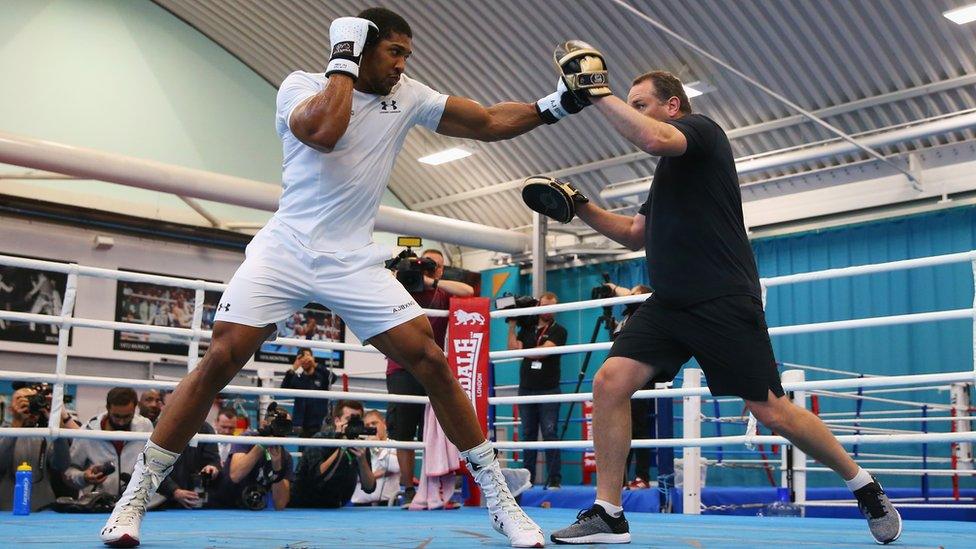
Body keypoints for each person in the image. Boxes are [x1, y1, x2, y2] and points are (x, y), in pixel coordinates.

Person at [99, 7, 569, 547]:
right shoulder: (300, 86)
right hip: (287, 247)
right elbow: (323, 132)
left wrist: (558, 104)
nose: (402, 65)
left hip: (351, 257)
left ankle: (501, 501)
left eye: (406, 56)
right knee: (220, 359)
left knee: (431, 360)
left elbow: (485, 121)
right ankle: (134, 498)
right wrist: (343, 62)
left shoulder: (409, 94)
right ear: (362, 48)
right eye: (394, 52)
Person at [531, 48, 901, 544]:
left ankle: (863, 485)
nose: (634, 110)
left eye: (642, 103)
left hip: (721, 298)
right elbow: (636, 233)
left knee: (770, 410)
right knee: (610, 382)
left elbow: (650, 137)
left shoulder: (702, 133)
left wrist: (598, 91)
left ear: (674, 107)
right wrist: (579, 206)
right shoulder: (666, 176)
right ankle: (608, 513)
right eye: (631, 102)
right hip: (668, 304)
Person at [386, 248, 474, 506]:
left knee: (438, 429)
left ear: (441, 269)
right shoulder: (400, 286)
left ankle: (435, 488)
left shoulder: (441, 290)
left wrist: (430, 281)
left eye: (432, 264)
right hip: (400, 366)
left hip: (432, 366)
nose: (426, 267)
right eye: (423, 263)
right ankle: (407, 489)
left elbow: (468, 292)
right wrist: (402, 272)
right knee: (404, 431)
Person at [506, 292, 567, 489]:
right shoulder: (527, 329)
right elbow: (512, 348)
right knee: (528, 433)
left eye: (552, 306)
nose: (548, 310)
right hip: (526, 388)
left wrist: (526, 352)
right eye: (545, 306)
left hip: (549, 388)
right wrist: (512, 324)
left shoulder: (559, 330)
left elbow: (543, 351)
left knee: (550, 432)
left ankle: (555, 479)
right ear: (538, 305)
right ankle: (528, 479)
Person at [0, 385, 80, 511]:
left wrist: (56, 426)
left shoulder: (45, 436)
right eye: (22, 400)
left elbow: (61, 465)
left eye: (32, 400)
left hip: (43, 508)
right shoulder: (3, 433)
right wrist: (16, 424)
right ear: (11, 409)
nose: (29, 405)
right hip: (7, 508)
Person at [65, 388, 153, 499]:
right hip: (97, 504)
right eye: (116, 416)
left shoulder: (145, 427)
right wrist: (84, 477)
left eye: (127, 417)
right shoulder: (88, 431)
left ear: (135, 409)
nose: (121, 422)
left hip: (135, 503)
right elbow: (69, 472)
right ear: (107, 408)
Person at [291, 400, 376, 508]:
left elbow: (370, 487)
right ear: (337, 421)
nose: (352, 425)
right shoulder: (320, 440)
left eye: (357, 420)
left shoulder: (360, 445)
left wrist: (362, 461)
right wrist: (341, 447)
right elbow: (319, 477)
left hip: (336, 506)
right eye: (349, 420)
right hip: (304, 505)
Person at [209, 408, 293, 511]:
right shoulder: (246, 439)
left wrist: (276, 466)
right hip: (224, 506)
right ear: (265, 423)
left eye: (285, 424)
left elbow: (280, 504)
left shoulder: (286, 456)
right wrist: (261, 445)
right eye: (278, 423)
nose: (281, 428)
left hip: (255, 509)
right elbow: (236, 475)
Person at [155, 422, 220, 509]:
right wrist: (173, 490)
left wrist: (212, 467)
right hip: (160, 500)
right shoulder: (160, 426)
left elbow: (213, 459)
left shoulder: (206, 429)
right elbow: (154, 465)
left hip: (196, 498)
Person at [281, 348, 337, 437]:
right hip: (304, 426)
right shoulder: (297, 379)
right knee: (304, 450)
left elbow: (333, 378)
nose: (305, 360)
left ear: (312, 357)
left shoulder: (322, 376)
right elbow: (283, 389)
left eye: (307, 356)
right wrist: (293, 368)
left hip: (322, 423)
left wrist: (315, 364)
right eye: (301, 358)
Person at [350, 410, 400, 506]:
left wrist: (377, 447)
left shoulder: (395, 445)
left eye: (374, 423)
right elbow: (353, 476)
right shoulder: (358, 446)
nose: (371, 427)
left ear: (384, 423)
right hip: (359, 506)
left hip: (388, 505)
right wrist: (382, 473)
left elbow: (396, 467)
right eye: (367, 425)